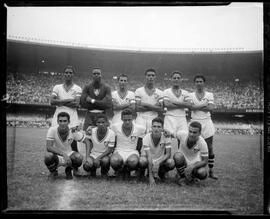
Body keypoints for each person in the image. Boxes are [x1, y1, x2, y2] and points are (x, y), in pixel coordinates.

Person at [50, 65, 82, 175]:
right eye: (66, 72)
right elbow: (52, 101)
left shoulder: (77, 88)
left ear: (73, 74)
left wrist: (60, 101)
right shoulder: (57, 87)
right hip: (58, 117)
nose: (68, 74)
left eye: (70, 73)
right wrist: (68, 100)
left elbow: (76, 104)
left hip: (72, 118)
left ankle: (75, 166)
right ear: (64, 74)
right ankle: (54, 166)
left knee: (73, 142)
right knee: (55, 141)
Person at [187, 75, 218, 179]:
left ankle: (211, 171)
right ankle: (193, 170)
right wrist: (203, 105)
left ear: (204, 83)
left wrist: (197, 107)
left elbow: (210, 108)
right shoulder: (190, 95)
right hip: (194, 122)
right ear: (194, 83)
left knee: (209, 148)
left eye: (200, 81)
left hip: (206, 122)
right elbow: (190, 108)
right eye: (197, 81)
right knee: (193, 148)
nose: (199, 83)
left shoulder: (209, 94)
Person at [44, 112, 91, 180]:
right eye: (60, 121)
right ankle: (53, 171)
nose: (62, 123)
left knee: (79, 157)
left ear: (68, 122)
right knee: (48, 156)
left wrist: (87, 157)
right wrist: (63, 154)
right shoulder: (52, 130)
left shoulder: (72, 131)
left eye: (65, 121)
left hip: (69, 154)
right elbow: (49, 147)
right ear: (57, 121)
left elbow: (87, 141)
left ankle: (70, 169)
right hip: (57, 155)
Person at [110, 109, 146, 179]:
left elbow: (142, 141)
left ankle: (127, 171)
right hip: (119, 150)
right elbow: (108, 134)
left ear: (133, 118)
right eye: (125, 120)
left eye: (129, 119)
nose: (127, 122)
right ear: (121, 119)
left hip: (132, 151)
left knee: (133, 161)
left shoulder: (140, 128)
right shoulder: (114, 127)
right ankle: (119, 171)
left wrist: (138, 153)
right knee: (114, 160)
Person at [172, 121, 209, 186]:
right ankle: (182, 176)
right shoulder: (182, 134)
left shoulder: (202, 143)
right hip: (182, 160)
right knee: (177, 156)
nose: (191, 134)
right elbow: (171, 134)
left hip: (195, 162)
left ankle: (192, 176)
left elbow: (205, 161)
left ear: (199, 133)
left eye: (194, 132)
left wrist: (193, 166)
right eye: (190, 131)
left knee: (202, 173)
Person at [142, 117, 175, 185]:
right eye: (154, 126)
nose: (156, 129)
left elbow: (168, 154)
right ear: (151, 127)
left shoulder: (166, 136)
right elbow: (149, 156)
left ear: (162, 128)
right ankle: (146, 173)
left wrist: (158, 163)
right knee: (142, 161)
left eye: (159, 127)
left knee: (171, 162)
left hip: (160, 159)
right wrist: (151, 177)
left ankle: (161, 173)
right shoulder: (146, 137)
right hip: (149, 159)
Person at [163, 71, 191, 149]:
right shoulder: (166, 91)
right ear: (171, 79)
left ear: (181, 80)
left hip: (182, 118)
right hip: (169, 117)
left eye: (178, 78)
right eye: (174, 78)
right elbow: (166, 104)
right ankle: (166, 159)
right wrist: (182, 104)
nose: (176, 79)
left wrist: (173, 102)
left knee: (182, 139)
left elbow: (188, 105)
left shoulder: (185, 92)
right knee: (167, 140)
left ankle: (180, 159)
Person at [134, 68, 164, 133]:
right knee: (139, 136)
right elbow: (137, 108)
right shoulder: (138, 91)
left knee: (150, 138)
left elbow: (160, 109)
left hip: (154, 118)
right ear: (145, 77)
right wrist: (154, 107)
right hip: (141, 117)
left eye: (153, 75)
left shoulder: (160, 92)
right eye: (149, 75)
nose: (151, 77)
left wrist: (145, 104)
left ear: (155, 77)